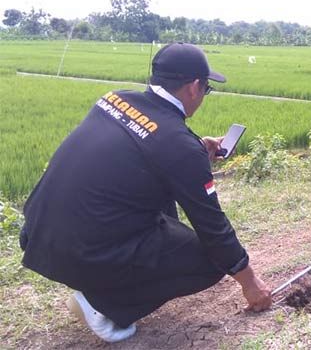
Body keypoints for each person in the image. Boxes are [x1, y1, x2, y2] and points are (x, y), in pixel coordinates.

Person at [20, 42, 272, 343]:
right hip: (81, 252)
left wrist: (195, 154)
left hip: (38, 233)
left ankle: (104, 277)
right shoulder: (177, 145)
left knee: (161, 198)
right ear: (193, 87)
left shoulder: (115, 100)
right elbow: (214, 229)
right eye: (207, 88)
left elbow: (141, 153)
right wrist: (250, 282)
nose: (204, 95)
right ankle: (101, 305)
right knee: (213, 261)